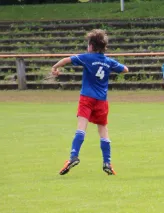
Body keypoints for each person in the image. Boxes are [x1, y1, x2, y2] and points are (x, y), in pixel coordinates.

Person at [53, 29, 128, 175]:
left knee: (81, 127)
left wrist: (55, 67)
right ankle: (107, 162)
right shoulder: (108, 61)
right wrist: (111, 66)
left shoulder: (87, 58)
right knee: (103, 130)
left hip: (86, 98)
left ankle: (73, 156)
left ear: (91, 46)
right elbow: (125, 69)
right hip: (101, 101)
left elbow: (67, 60)